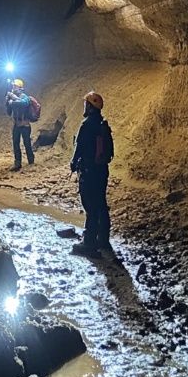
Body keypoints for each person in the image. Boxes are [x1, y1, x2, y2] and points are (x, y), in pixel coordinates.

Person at [70, 91, 114, 257]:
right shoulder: (103, 124)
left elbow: (79, 147)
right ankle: (103, 239)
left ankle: (89, 243)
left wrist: (74, 164)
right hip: (102, 170)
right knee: (101, 204)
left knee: (90, 206)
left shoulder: (87, 124)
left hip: (89, 171)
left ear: (89, 106)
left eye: (86, 104)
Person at [6, 78, 35, 171]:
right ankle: (17, 163)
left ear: (20, 87)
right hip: (17, 125)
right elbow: (9, 112)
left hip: (25, 125)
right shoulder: (12, 97)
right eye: (13, 86)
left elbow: (24, 103)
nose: (13, 87)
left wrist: (12, 100)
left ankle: (31, 162)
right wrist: (8, 103)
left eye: (15, 86)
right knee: (15, 144)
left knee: (27, 144)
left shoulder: (24, 97)